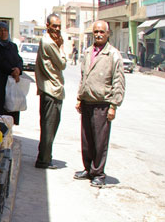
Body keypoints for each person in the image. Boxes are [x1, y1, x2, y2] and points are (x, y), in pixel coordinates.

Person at [74, 21, 125, 187]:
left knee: (100, 141)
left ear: (108, 33)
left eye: (102, 32)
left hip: (102, 104)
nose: (98, 34)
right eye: (96, 31)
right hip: (87, 101)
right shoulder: (88, 52)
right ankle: (88, 169)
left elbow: (118, 81)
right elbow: (84, 76)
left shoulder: (113, 54)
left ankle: (99, 173)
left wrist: (113, 106)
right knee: (87, 139)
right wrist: (80, 97)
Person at [34, 13, 67, 169]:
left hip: (50, 89)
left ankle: (45, 156)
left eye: (59, 26)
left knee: (48, 125)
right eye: (54, 26)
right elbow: (62, 64)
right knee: (49, 127)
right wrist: (61, 47)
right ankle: (44, 160)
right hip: (51, 90)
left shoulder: (48, 41)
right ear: (47, 26)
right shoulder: (50, 43)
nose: (57, 29)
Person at [0, 21, 23, 124]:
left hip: (11, 82)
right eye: (0, 31)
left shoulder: (13, 46)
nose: (3, 33)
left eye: (5, 30)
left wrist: (18, 69)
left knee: (11, 108)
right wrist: (12, 71)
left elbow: (19, 60)